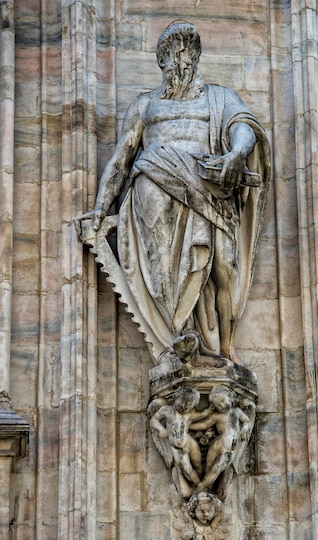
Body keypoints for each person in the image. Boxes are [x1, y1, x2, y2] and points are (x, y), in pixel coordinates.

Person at [77, 21, 269, 364]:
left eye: (187, 54)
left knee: (225, 264)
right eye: (173, 56)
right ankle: (178, 333)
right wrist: (100, 208)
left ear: (196, 58)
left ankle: (226, 348)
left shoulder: (220, 97)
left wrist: (237, 154)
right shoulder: (145, 105)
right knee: (163, 263)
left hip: (208, 188)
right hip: (154, 187)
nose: (181, 62)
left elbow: (243, 126)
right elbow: (121, 160)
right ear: (162, 62)